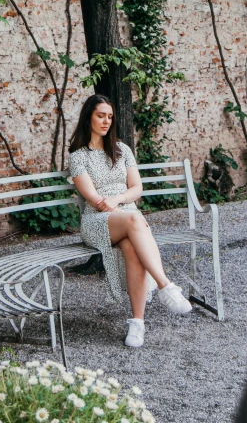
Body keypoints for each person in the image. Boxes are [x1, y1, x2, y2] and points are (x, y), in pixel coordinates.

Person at [68, 93, 192, 348]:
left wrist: (118, 198)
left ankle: (137, 323)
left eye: (110, 117)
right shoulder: (78, 156)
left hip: (126, 219)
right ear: (88, 117)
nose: (106, 121)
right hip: (97, 222)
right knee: (136, 220)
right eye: (100, 115)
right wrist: (114, 202)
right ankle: (165, 285)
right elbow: (94, 199)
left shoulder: (122, 150)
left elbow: (137, 188)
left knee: (132, 249)